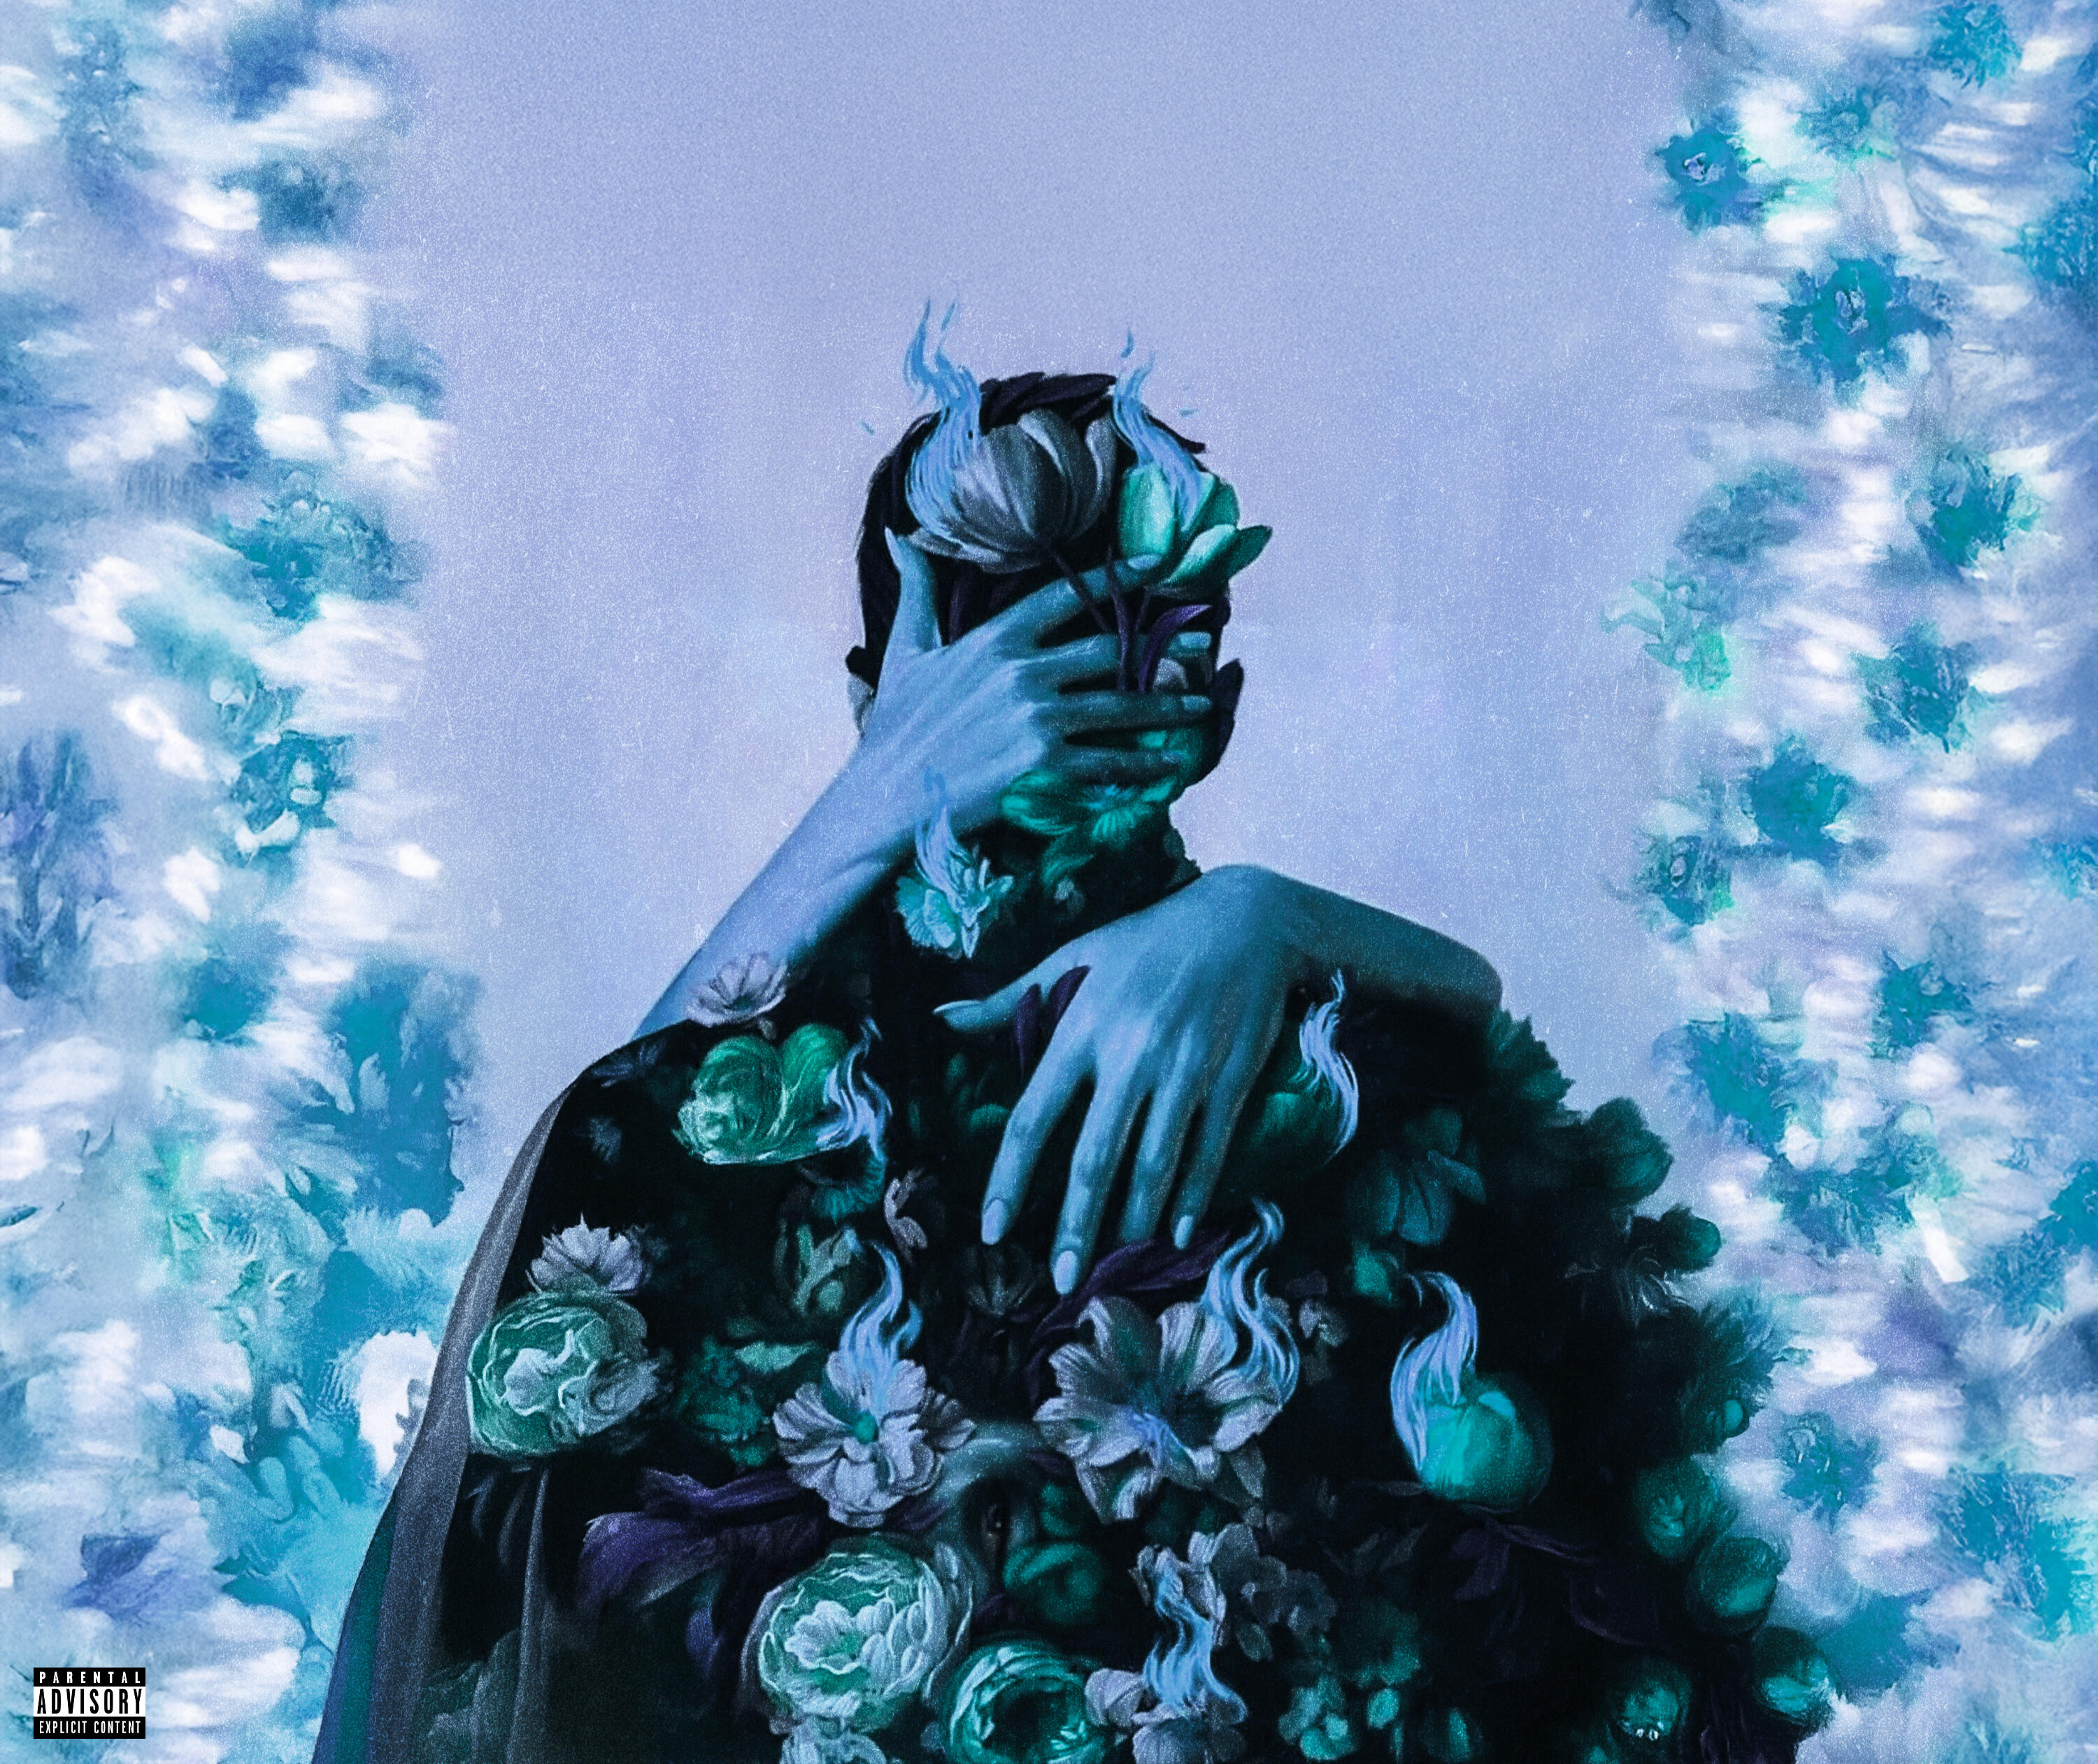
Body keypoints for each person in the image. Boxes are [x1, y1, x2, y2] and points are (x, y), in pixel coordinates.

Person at [316, 346, 1824, 1764]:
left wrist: (927, 811)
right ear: (1212, 716)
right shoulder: (1352, 1076)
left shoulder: (707, 1125)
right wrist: (1273, 916)